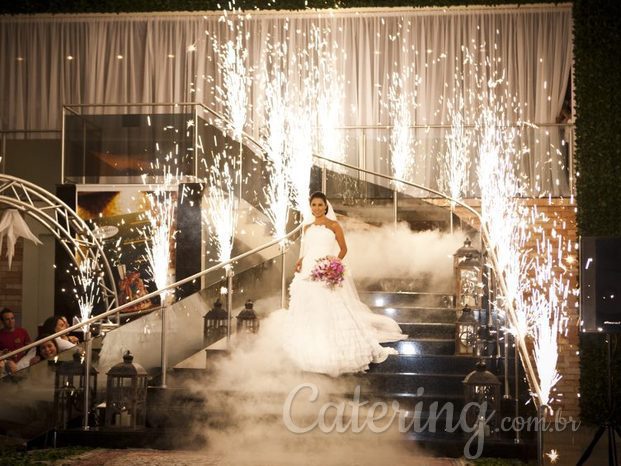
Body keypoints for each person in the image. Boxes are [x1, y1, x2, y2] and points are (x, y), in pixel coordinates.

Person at [283, 192, 406, 377]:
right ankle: (308, 346)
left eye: (320, 205)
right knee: (306, 307)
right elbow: (308, 249)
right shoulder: (307, 227)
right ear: (311, 207)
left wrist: (334, 263)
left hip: (324, 268)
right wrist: (301, 260)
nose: (316, 208)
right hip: (307, 269)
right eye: (313, 205)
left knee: (328, 306)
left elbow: (343, 249)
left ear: (326, 206)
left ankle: (331, 350)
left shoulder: (333, 225)